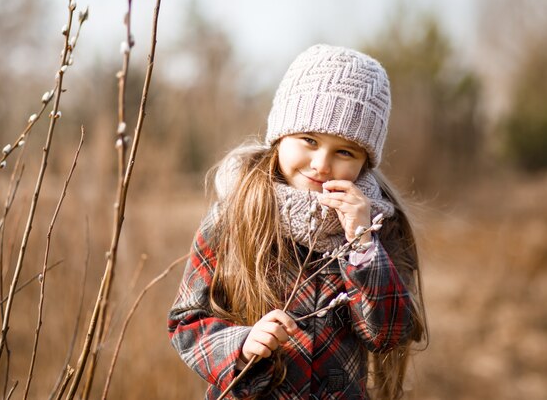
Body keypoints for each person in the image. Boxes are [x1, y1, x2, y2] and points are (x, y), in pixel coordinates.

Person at [168, 44, 427, 399]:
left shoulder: (375, 226)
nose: (321, 164)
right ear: (280, 135)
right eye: (309, 140)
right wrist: (241, 344)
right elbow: (186, 320)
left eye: (344, 151)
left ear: (365, 162)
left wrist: (363, 245)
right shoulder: (236, 214)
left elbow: (389, 333)